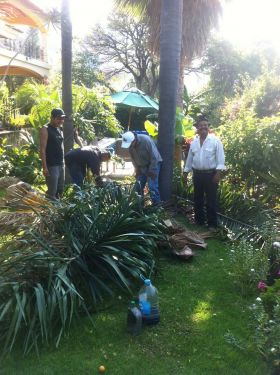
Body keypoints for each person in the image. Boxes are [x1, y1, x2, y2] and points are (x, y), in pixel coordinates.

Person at [183, 116, 225, 228]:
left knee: (211, 200)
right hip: (197, 175)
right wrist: (185, 172)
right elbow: (189, 159)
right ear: (197, 128)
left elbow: (220, 158)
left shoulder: (215, 141)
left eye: (205, 125)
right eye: (201, 125)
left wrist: (218, 173)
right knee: (198, 198)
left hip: (211, 175)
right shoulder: (194, 143)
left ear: (208, 127)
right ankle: (199, 221)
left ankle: (212, 224)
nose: (203, 127)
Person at [121, 131, 162, 204]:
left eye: (130, 144)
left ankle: (157, 207)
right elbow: (133, 159)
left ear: (134, 140)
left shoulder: (146, 140)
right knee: (138, 186)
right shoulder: (130, 145)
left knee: (152, 186)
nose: (130, 146)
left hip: (153, 164)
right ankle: (140, 205)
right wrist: (137, 169)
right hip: (141, 166)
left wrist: (152, 170)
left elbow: (154, 157)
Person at [40, 108, 65, 199]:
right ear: (52, 118)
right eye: (59, 118)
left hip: (61, 164)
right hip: (52, 165)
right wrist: (44, 167)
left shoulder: (59, 129)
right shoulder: (45, 129)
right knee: (52, 192)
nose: (61, 121)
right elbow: (42, 149)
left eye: (62, 119)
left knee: (60, 189)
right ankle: (49, 211)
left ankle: (59, 211)